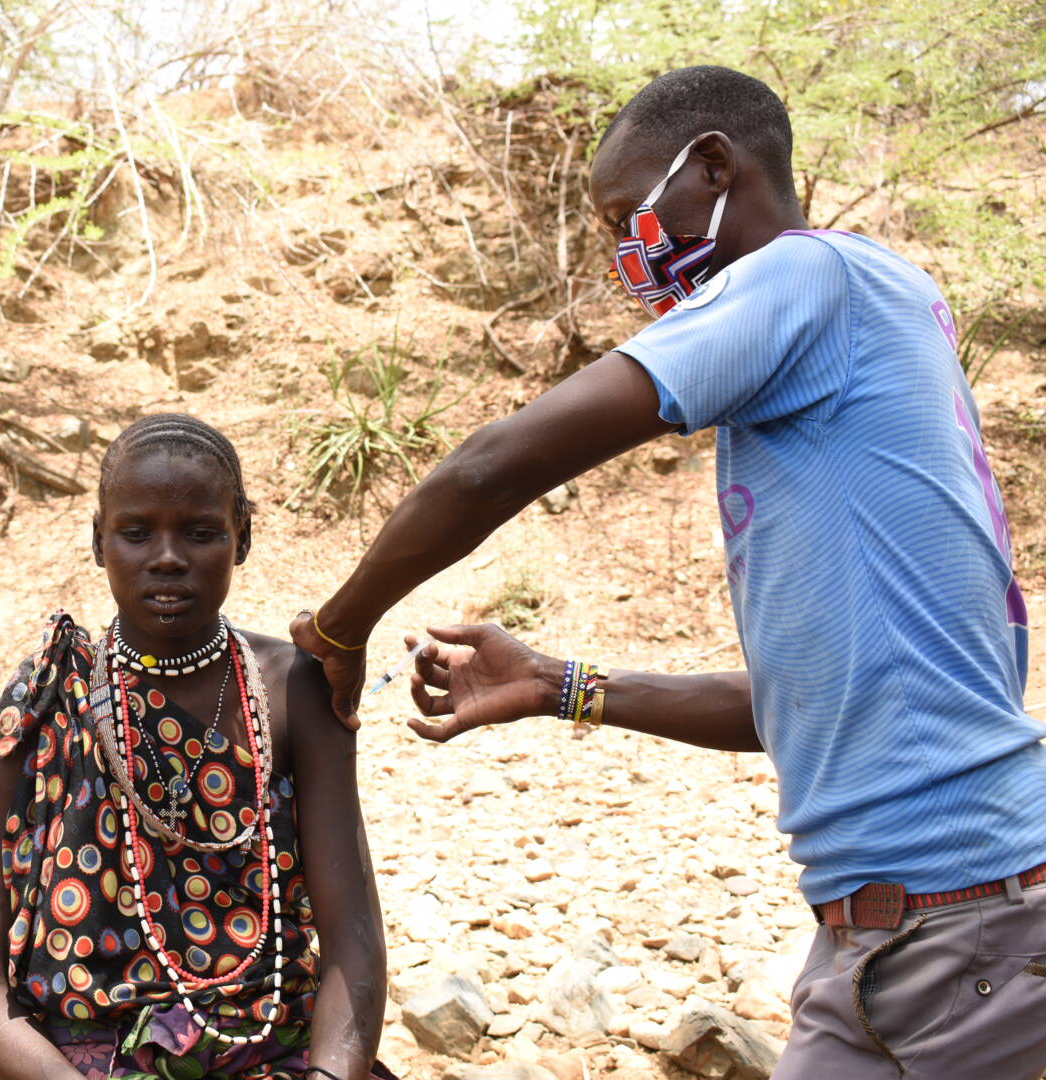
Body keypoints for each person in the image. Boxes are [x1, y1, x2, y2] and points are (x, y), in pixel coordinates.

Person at [291, 65, 1046, 1079]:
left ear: (715, 166)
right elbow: (804, 705)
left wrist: (341, 629)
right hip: (926, 922)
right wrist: (562, 688)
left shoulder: (802, 281)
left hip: (953, 928)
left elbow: (490, 466)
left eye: (624, 215)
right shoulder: (884, 307)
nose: (621, 253)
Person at [0, 414, 391, 1080]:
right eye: (135, 533)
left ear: (243, 538)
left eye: (201, 532)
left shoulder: (295, 692)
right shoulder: (45, 699)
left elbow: (352, 946)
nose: (167, 557)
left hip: (279, 1052)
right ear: (99, 542)